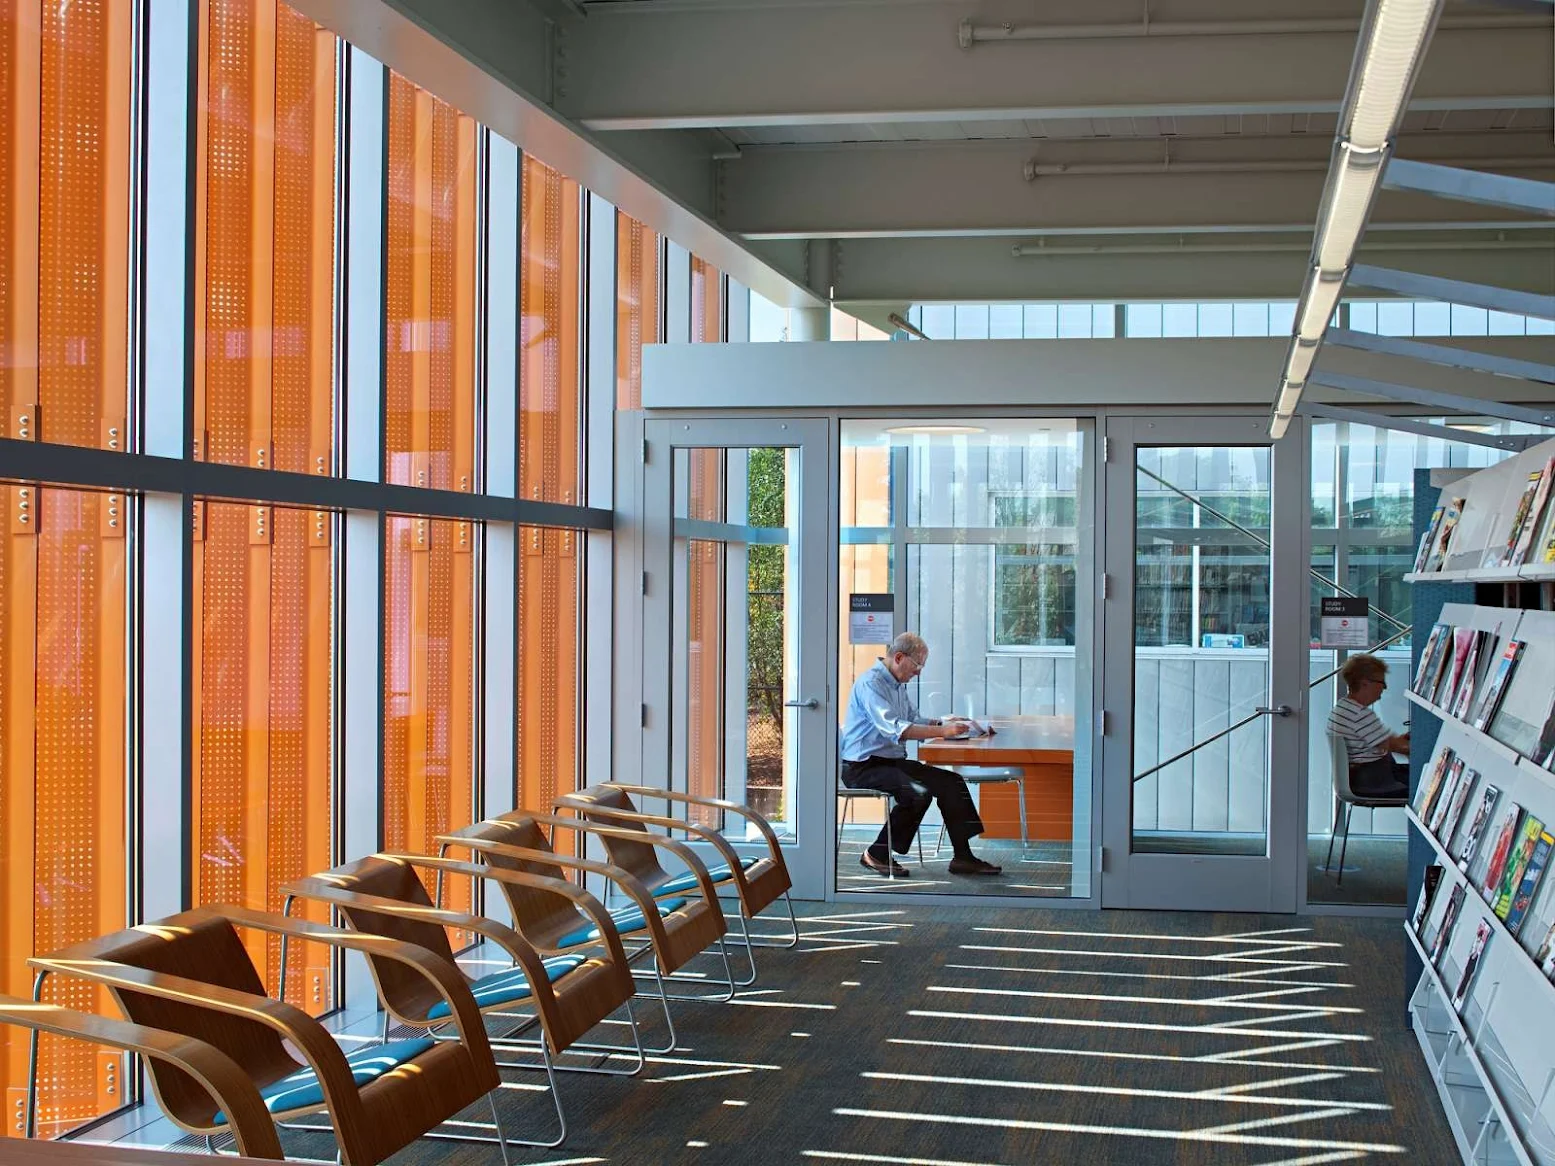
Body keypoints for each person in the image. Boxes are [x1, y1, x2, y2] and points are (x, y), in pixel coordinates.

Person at [840, 632, 1002, 877]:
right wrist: (942, 731)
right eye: (918, 665)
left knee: (951, 782)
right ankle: (877, 854)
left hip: (890, 762)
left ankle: (963, 857)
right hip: (863, 767)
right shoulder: (871, 684)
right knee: (917, 793)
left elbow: (913, 719)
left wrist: (943, 723)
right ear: (899, 657)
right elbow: (897, 728)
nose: (919, 672)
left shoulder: (896, 684)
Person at [1327, 654, 1410, 798]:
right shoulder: (1359, 714)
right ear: (1365, 683)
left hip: (1362, 779)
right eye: (1381, 683)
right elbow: (1392, 745)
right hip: (1375, 782)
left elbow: (1383, 741)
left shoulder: (1342, 708)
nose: (1384, 688)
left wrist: (1399, 741)